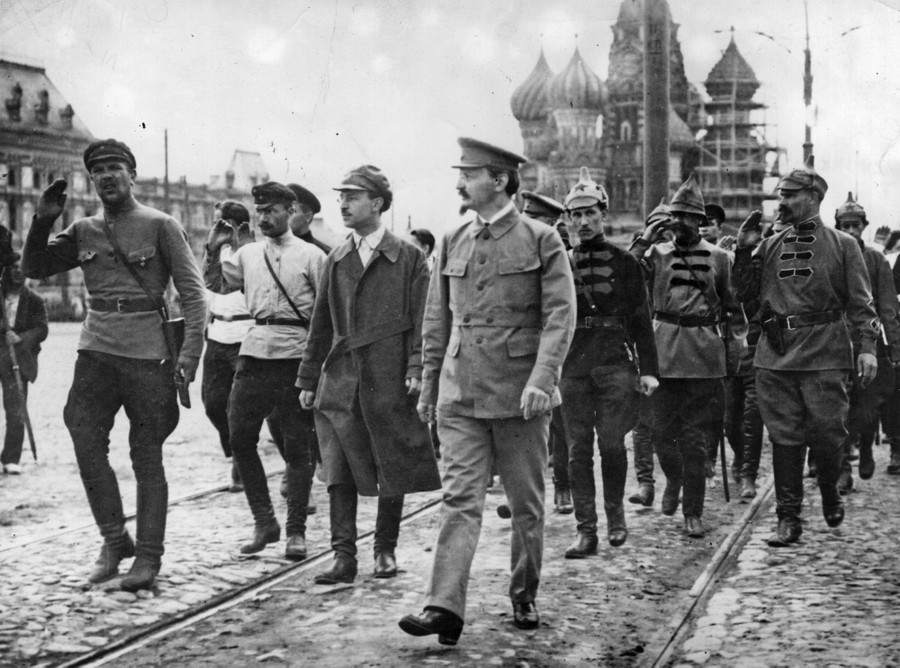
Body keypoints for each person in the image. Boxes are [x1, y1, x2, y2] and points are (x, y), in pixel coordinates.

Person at [399, 137, 575, 644]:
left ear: (498, 180)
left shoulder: (542, 238)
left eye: (469, 174)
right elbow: (437, 319)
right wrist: (431, 386)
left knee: (525, 504)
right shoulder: (454, 237)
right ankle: (444, 608)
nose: (459, 182)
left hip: (522, 396)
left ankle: (523, 593)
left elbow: (561, 318)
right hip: (461, 393)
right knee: (459, 501)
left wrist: (543, 380)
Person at [22, 139, 208, 590]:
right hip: (97, 349)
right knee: (84, 437)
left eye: (114, 168)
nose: (105, 177)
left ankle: (147, 557)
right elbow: (34, 266)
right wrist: (44, 218)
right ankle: (113, 538)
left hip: (148, 354)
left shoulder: (162, 225)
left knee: (146, 455)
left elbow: (193, 294)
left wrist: (188, 357)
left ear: (132, 175)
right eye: (97, 171)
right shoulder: (84, 229)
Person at [298, 165, 441, 584]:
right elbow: (320, 325)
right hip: (342, 377)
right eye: (340, 196)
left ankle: (385, 549)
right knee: (338, 467)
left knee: (388, 459)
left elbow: (423, 322)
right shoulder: (336, 259)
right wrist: (308, 379)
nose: (342, 203)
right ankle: (343, 556)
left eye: (353, 196)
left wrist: (416, 368)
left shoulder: (409, 258)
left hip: (390, 374)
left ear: (377, 203)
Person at [733, 156, 880, 547]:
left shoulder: (844, 246)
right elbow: (745, 297)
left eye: (790, 196)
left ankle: (830, 491)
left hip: (825, 354)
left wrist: (866, 349)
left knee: (828, 433)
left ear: (813, 198)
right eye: (780, 196)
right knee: (784, 437)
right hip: (776, 355)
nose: (781, 204)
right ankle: (788, 518)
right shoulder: (770, 245)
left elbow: (862, 306)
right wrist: (744, 254)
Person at [204, 182, 325, 561]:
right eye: (259, 211)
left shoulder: (311, 256)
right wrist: (214, 247)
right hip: (254, 352)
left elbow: (326, 315)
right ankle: (263, 521)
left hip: (295, 355)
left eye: (271, 210)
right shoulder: (248, 254)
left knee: (296, 448)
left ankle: (295, 533)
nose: (263, 217)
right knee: (239, 437)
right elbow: (217, 285)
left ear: (290, 211)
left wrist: (314, 367)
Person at [630, 174, 740, 538]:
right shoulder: (656, 256)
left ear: (699, 220)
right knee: (661, 434)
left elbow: (731, 307)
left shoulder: (720, 258)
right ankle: (673, 480)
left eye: (687, 217)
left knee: (695, 441)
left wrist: (733, 349)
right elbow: (627, 278)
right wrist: (645, 238)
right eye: (674, 216)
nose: (680, 223)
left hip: (704, 357)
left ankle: (693, 511)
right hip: (663, 354)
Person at [558, 168, 658, 557]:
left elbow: (640, 318)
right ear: (568, 220)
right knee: (577, 450)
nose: (583, 222)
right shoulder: (561, 263)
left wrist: (649, 370)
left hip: (616, 363)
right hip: (573, 368)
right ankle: (586, 530)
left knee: (613, 445)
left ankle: (615, 516)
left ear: (603, 214)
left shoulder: (624, 262)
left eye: (590, 214)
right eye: (576, 215)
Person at [266, 183, 332, 503]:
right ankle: (298, 464)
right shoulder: (267, 250)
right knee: (273, 414)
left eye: (291, 210)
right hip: (273, 348)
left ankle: (301, 472)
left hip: (308, 347)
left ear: (306, 216)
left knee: (303, 414)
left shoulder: (323, 254)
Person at [832, 193, 900, 491]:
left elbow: (888, 306)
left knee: (870, 405)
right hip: (834, 343)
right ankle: (844, 464)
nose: (850, 231)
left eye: (855, 225)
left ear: (863, 226)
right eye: (844, 225)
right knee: (838, 407)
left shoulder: (875, 259)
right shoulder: (830, 257)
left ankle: (869, 449)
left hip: (870, 343)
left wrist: (895, 347)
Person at [521, 190, 573, 514]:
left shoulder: (562, 257)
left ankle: (563, 487)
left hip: (558, 353)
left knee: (560, 426)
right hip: (523, 355)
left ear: (552, 225)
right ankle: (524, 496)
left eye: (535, 220)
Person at [201, 201, 255, 492]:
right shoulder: (214, 250)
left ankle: (241, 460)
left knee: (240, 407)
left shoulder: (253, 251)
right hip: (217, 335)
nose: (215, 228)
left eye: (220, 223)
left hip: (245, 336)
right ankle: (235, 451)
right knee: (212, 404)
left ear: (235, 225)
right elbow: (205, 287)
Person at [628, 201, 672, 509]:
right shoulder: (641, 264)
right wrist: (643, 242)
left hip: (675, 350)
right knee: (642, 423)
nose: (662, 238)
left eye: (667, 230)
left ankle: (673, 480)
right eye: (656, 230)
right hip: (645, 352)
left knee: (670, 423)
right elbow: (624, 270)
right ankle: (645, 483)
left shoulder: (681, 261)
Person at [0, 263, 48, 474]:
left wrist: (21, 338)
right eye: (13, 267)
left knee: (16, 409)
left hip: (17, 359)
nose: (17, 271)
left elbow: (42, 329)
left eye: (22, 267)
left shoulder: (34, 300)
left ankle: (10, 459)